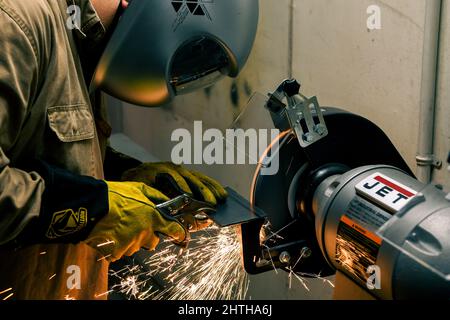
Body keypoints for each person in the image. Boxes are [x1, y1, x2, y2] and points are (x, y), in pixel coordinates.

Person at [0, 0, 258, 299]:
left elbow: (38, 154)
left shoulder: (85, 40)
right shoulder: (16, 21)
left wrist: (126, 176)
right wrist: (95, 208)